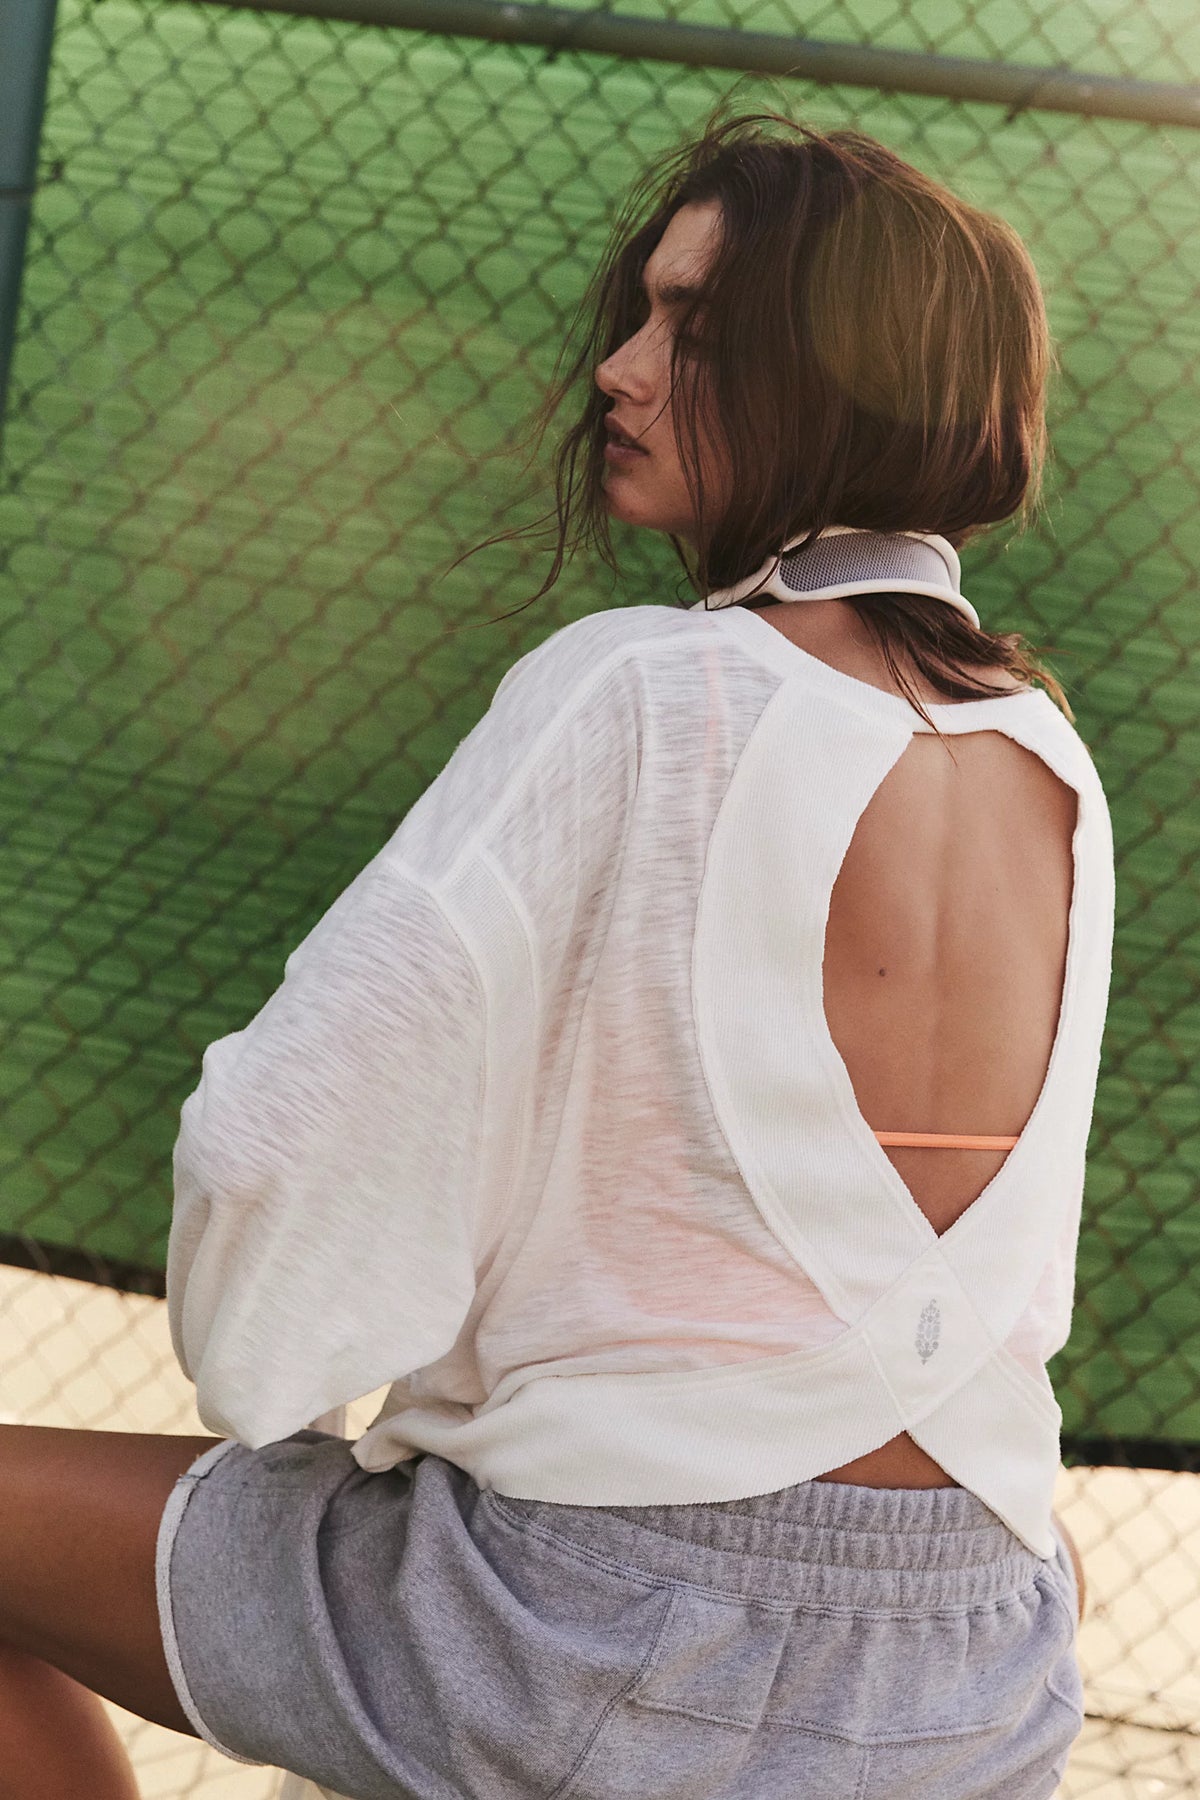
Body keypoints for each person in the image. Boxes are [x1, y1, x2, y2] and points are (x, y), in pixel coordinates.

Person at [0, 107, 1109, 1800]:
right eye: (643, 313)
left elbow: (274, 1142)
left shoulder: (644, 689)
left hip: (596, 1641)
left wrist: (279, 1368)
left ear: (840, 381)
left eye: (695, 331)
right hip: (979, 1666)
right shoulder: (1049, 762)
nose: (618, 368)